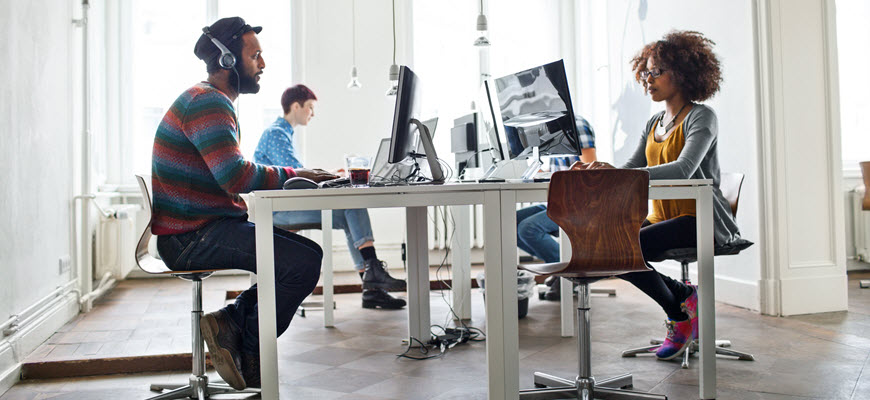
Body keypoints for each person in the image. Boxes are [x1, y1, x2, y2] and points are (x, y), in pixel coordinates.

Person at [151, 17, 338, 390]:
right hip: (192, 238)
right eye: (255, 56)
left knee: (304, 258)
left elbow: (233, 173)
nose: (262, 65)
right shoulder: (207, 104)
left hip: (201, 229)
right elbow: (235, 175)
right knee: (301, 263)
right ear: (227, 61)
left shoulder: (210, 101)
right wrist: (299, 176)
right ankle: (248, 355)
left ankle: (232, 327)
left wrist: (297, 176)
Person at [572, 30, 742, 360]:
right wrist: (606, 171)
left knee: (624, 248)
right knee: (610, 247)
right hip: (664, 216)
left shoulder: (702, 117)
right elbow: (633, 167)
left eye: (657, 71)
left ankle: (679, 315)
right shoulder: (654, 122)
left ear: (683, 73)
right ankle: (681, 296)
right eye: (646, 72)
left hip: (701, 219)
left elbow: (684, 169)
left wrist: (621, 174)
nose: (648, 79)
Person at [253, 84, 407, 309]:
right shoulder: (277, 133)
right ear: (296, 106)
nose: (312, 113)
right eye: (310, 107)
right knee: (351, 203)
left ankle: (372, 287)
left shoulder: (284, 133)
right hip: (277, 211)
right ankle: (373, 272)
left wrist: (331, 175)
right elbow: (296, 176)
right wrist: (331, 176)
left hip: (285, 205)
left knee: (349, 213)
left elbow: (297, 174)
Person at [515, 115, 597, 300]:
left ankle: (568, 273)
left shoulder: (577, 126)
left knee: (529, 228)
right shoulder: (548, 128)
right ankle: (561, 269)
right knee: (509, 223)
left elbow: (591, 168)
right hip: (557, 199)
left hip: (579, 202)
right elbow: (554, 169)